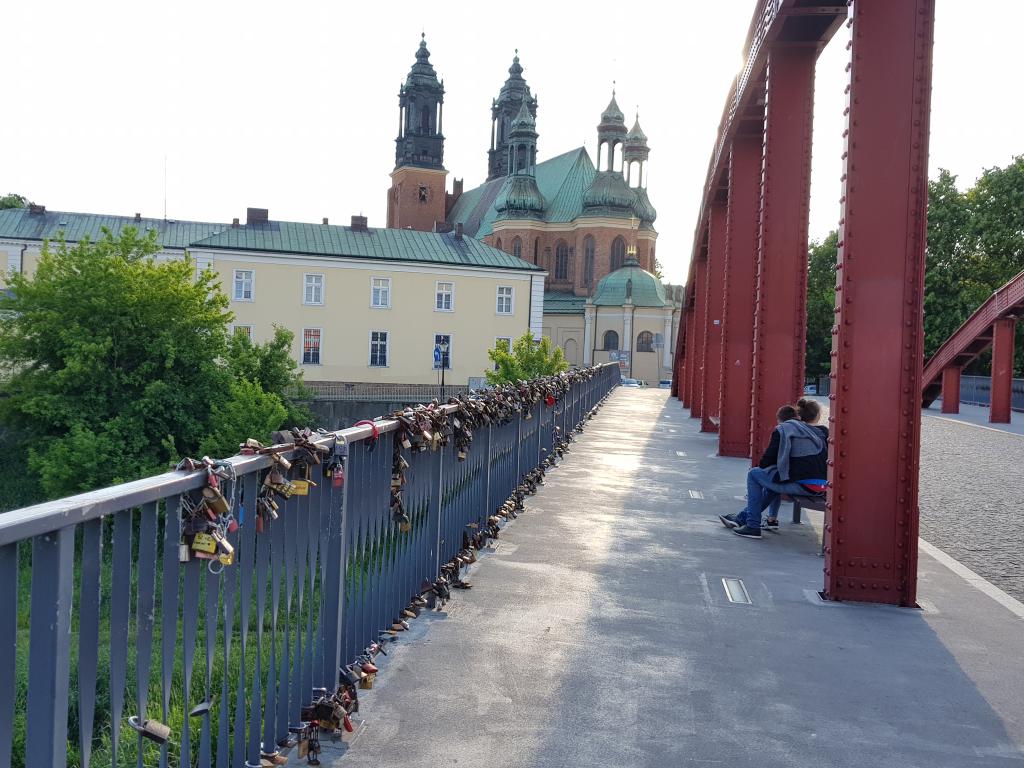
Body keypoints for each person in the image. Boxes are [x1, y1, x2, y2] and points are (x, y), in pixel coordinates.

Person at [720, 399, 827, 538]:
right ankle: (766, 519)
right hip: (824, 486)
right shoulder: (824, 432)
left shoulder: (785, 429)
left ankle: (752, 525)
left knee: (755, 474)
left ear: (799, 416)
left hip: (804, 485)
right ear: (817, 416)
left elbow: (766, 461)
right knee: (775, 478)